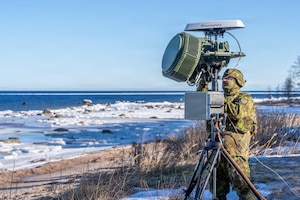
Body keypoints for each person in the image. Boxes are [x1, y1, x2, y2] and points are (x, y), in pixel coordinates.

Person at [216, 68, 257, 200]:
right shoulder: (219, 97)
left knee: (241, 182)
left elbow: (236, 113)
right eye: (224, 77)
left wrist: (217, 100)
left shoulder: (245, 98)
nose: (225, 80)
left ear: (238, 81)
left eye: (230, 78)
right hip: (217, 146)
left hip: (235, 149)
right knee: (217, 183)